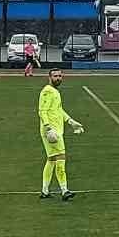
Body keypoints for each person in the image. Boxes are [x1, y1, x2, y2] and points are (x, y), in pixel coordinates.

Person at [38, 67, 84, 201]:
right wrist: (48, 127)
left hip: (55, 130)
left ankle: (45, 190)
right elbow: (42, 111)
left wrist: (70, 121)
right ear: (49, 77)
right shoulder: (47, 91)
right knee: (61, 158)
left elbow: (58, 110)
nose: (58, 78)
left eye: (60, 76)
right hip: (51, 132)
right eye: (55, 76)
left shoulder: (55, 92)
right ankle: (64, 190)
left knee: (51, 159)